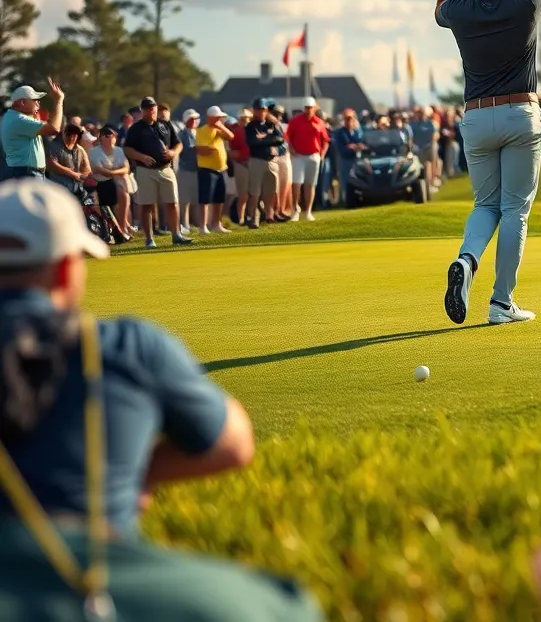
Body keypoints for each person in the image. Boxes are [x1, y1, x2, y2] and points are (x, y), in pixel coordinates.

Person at [0, 179, 321, 621]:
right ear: (64, 270)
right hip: (90, 574)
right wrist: (132, 473)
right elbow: (233, 444)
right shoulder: (126, 345)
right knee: (285, 606)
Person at [435, 0, 541, 325]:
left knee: (485, 205)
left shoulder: (460, 8)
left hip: (476, 117)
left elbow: (441, 7)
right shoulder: (526, 1)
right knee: (514, 210)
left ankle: (467, 258)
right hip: (519, 115)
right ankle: (500, 303)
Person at [122, 97, 192, 248]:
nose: (151, 110)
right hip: (145, 170)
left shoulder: (165, 124)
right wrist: (141, 157)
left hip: (166, 169)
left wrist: (174, 152)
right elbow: (127, 149)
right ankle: (149, 239)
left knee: (172, 203)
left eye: (153, 107)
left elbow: (178, 143)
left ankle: (176, 235)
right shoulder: (136, 128)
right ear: (142, 110)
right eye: (147, 108)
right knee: (147, 205)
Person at [1, 83, 65, 181]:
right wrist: (58, 101)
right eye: (35, 100)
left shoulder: (13, 117)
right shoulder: (18, 119)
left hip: (24, 172)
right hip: (24, 173)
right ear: (22, 102)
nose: (38, 103)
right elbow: (54, 128)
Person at [284, 97, 329, 222]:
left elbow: (325, 140)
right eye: (306, 108)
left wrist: (322, 155)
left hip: (314, 156)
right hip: (298, 156)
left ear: (315, 108)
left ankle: (308, 211)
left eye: (310, 108)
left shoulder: (319, 122)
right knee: (296, 184)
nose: (308, 110)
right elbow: (288, 137)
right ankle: (294, 210)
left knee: (310, 185)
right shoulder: (295, 121)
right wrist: (291, 149)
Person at [245, 99, 286, 229]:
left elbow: (280, 139)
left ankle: (270, 215)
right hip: (257, 160)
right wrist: (270, 140)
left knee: (271, 190)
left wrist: (264, 139)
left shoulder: (271, 125)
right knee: (255, 192)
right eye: (258, 109)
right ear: (254, 111)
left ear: (266, 110)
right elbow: (252, 142)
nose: (261, 112)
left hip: (271, 160)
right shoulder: (251, 126)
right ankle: (253, 217)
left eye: (263, 109)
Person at [195, 106, 233, 234]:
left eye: (220, 118)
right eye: (217, 118)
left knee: (219, 198)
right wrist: (209, 149)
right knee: (205, 199)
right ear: (210, 118)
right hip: (207, 169)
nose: (219, 120)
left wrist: (221, 127)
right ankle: (203, 226)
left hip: (221, 169)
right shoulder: (202, 130)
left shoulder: (219, 130)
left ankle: (216, 224)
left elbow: (230, 136)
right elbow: (201, 149)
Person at [89, 125, 133, 237]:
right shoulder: (94, 151)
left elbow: (126, 168)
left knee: (123, 190)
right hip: (101, 183)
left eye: (113, 136)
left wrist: (113, 172)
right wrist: (115, 172)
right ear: (101, 137)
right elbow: (98, 170)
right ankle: (122, 227)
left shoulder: (119, 150)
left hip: (117, 182)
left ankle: (123, 227)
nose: (111, 138)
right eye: (107, 135)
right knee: (121, 187)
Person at [45, 122, 92, 194]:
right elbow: (51, 164)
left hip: (75, 189)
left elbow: (87, 169)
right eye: (68, 134)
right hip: (57, 188)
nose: (71, 138)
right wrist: (70, 173)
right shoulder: (54, 146)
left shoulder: (80, 150)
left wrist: (80, 175)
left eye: (74, 135)